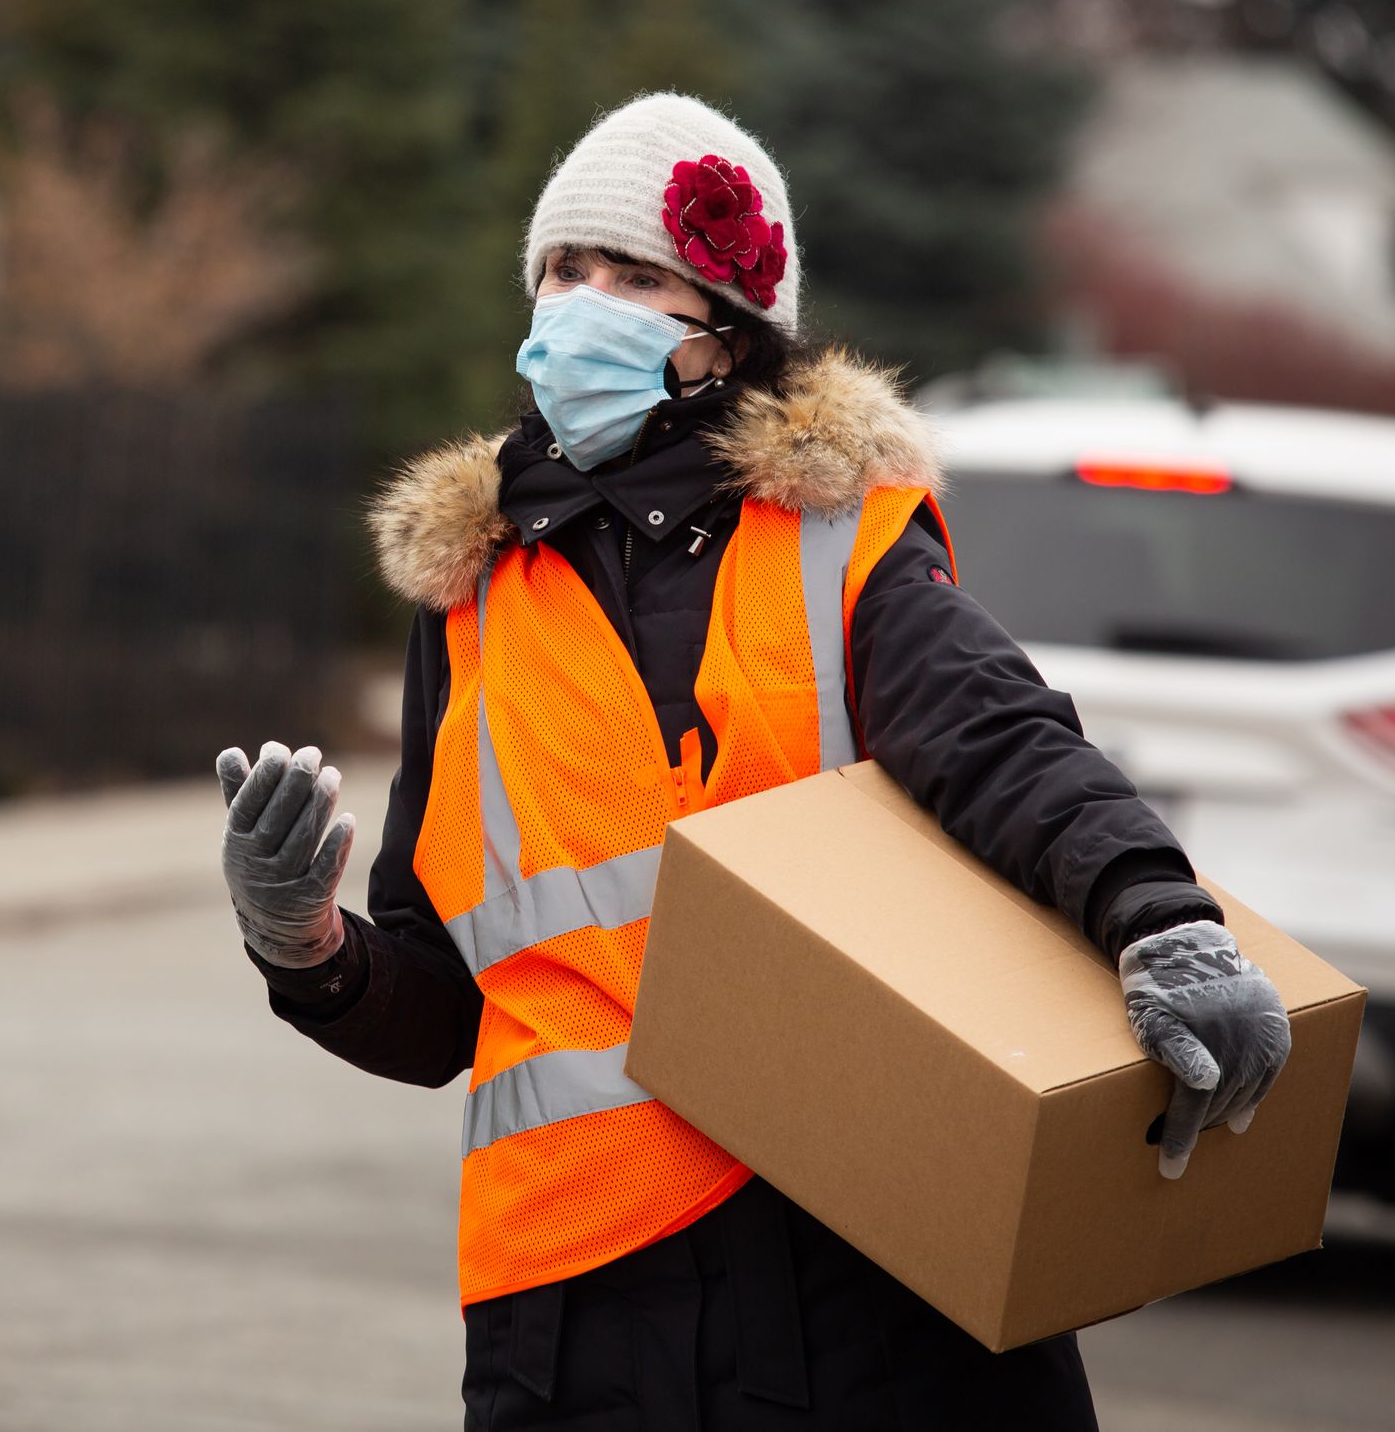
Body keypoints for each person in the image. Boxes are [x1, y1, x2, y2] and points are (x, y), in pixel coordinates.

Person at [214, 92, 1292, 1429]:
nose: (582, 306)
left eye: (635, 278)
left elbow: (996, 737)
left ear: (725, 332)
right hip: (574, 1308)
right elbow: (445, 1006)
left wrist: (1156, 912)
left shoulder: (836, 541)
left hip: (866, 1262)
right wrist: (308, 948)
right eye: (563, 270)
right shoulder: (472, 596)